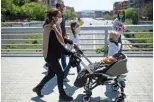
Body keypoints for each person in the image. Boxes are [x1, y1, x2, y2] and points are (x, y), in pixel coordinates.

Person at [33, 9, 73, 101]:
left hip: (51, 55)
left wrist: (68, 41)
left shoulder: (53, 26)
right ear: (53, 17)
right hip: (51, 56)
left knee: (51, 74)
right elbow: (59, 45)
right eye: (59, 16)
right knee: (60, 74)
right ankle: (62, 95)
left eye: (61, 16)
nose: (61, 18)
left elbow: (59, 38)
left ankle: (38, 88)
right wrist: (70, 52)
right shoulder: (50, 29)